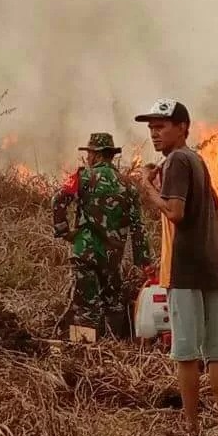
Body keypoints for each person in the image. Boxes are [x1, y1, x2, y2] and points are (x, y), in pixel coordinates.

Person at [129, 98, 218, 435]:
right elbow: (216, 211)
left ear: (183, 127)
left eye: (161, 127)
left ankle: (191, 428)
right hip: (212, 267)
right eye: (151, 129)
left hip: (185, 270)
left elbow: (175, 212)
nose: (155, 134)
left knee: (186, 351)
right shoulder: (198, 161)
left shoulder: (176, 160)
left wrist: (146, 187)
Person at [52, 132, 152, 342]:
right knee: (113, 303)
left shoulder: (83, 177)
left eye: (89, 153)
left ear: (96, 155)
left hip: (85, 252)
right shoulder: (129, 185)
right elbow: (137, 226)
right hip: (113, 257)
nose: (87, 157)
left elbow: (58, 201)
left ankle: (83, 350)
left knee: (85, 307)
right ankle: (113, 348)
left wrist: (65, 232)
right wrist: (143, 261)